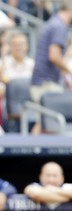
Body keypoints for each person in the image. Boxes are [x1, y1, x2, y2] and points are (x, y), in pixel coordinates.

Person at [30, 1, 72, 134]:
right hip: (46, 83)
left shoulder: (54, 23)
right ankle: (30, 150)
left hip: (44, 81)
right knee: (45, 123)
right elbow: (54, 56)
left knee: (43, 122)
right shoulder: (59, 26)